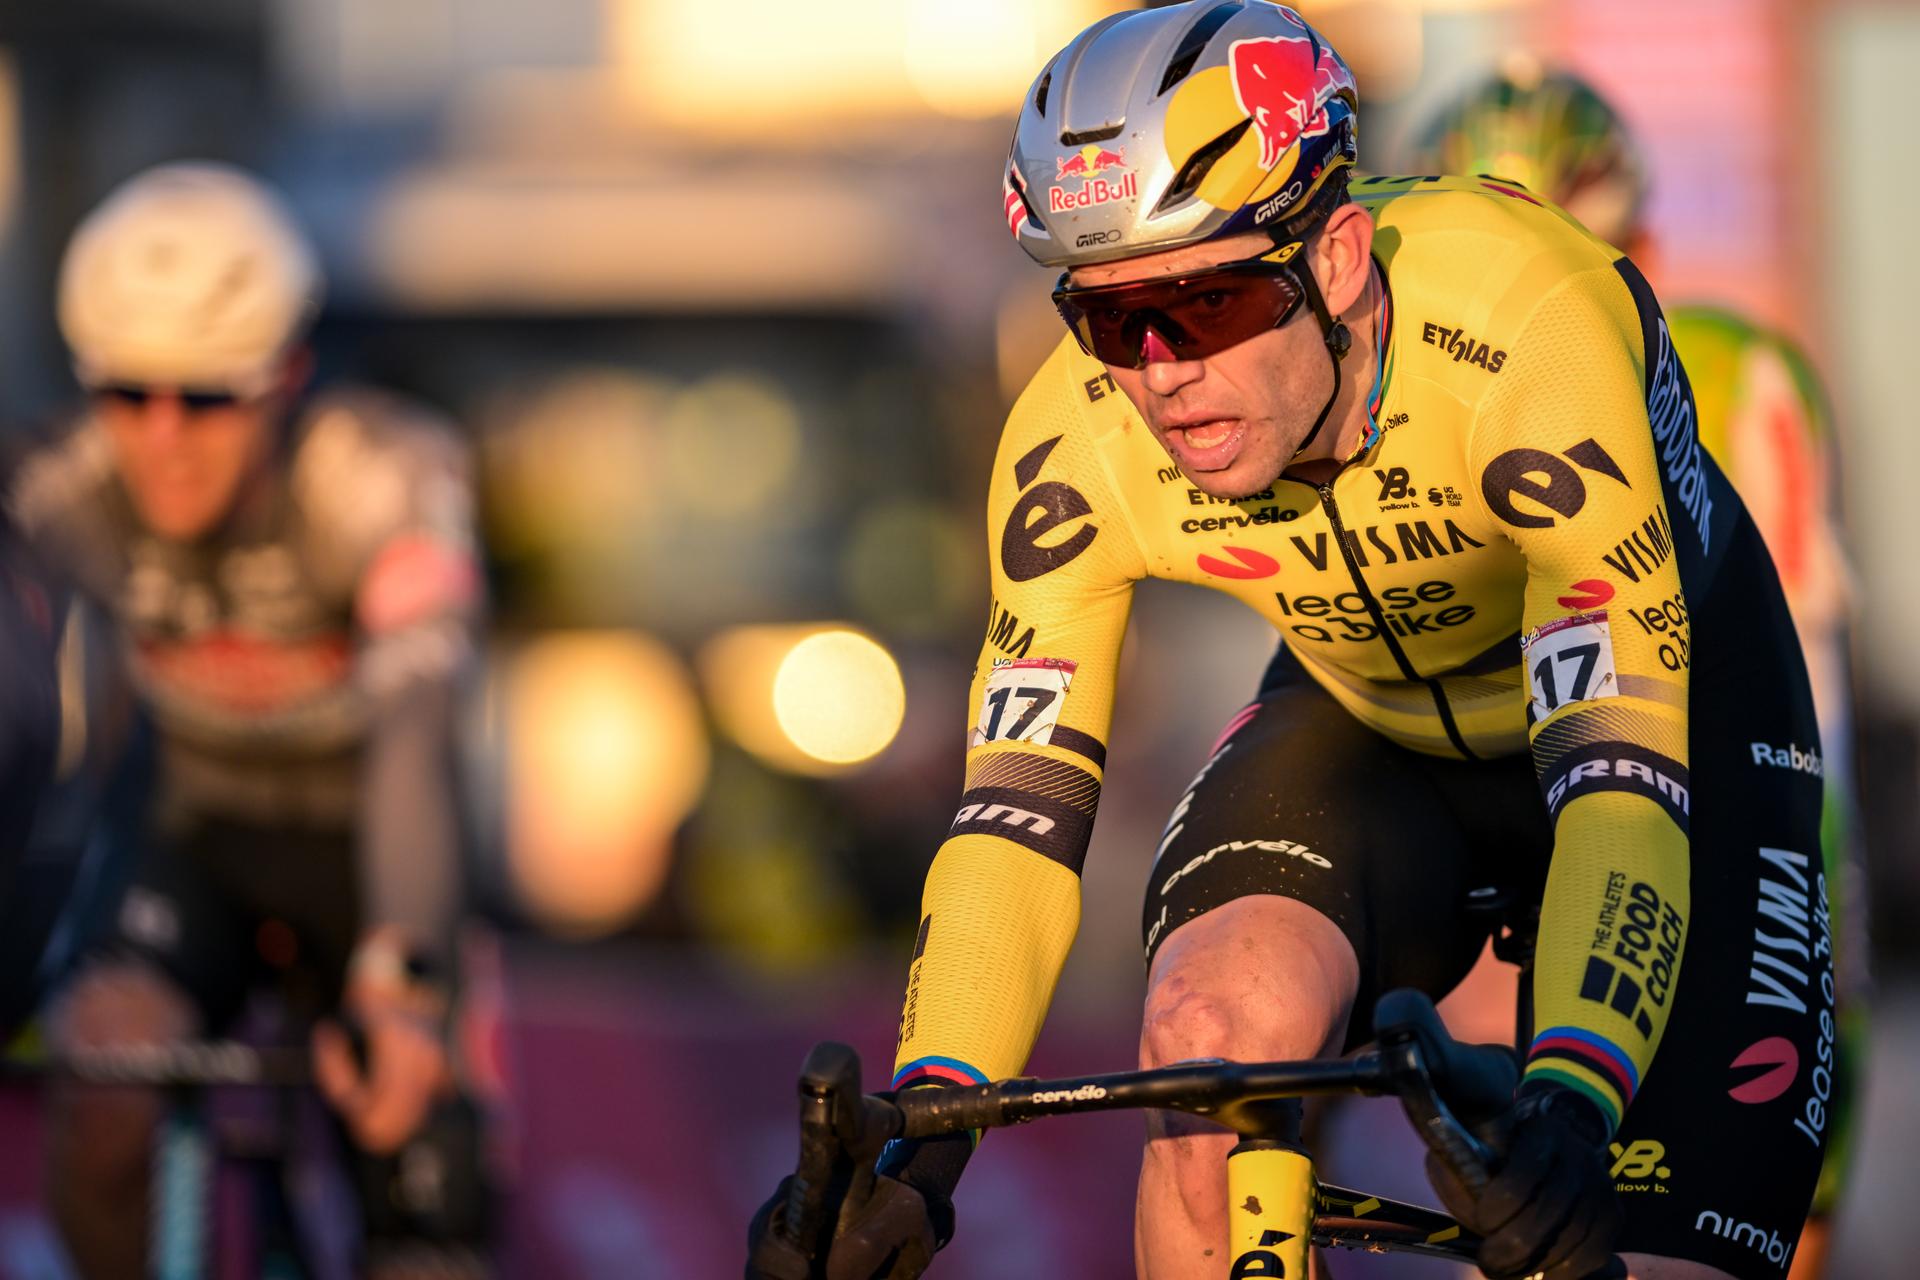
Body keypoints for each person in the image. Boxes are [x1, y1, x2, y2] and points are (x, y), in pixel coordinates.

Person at [750, 4, 1829, 1278]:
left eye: (1205, 303)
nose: (1158, 376)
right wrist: (915, 1147)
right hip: (1368, 722)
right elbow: (1013, 822)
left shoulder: (1533, 335)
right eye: (1107, 318)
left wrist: (1575, 1097)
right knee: (1208, 1038)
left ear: (1338, 260)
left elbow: (1618, 787)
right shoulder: (1070, 439)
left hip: (1667, 728)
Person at [1416, 65, 1865, 1279]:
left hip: (1634, 834)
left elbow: (1796, 691)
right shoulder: (1730, 358)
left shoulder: (1736, 369)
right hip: (1623, 841)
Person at [7, 161, 489, 1279]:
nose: (165, 435)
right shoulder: (58, 481)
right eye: (126, 392)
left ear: (288, 376)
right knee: (104, 1070)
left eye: (211, 395)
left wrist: (402, 982)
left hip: (374, 838)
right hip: (198, 835)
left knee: (428, 1208)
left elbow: (418, 730)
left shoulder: (383, 475)